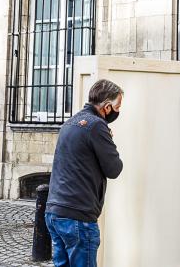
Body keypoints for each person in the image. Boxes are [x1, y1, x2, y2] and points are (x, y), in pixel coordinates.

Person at [45, 79, 124, 267]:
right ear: (107, 107)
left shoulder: (70, 122)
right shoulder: (96, 126)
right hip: (78, 217)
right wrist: (109, 141)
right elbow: (114, 168)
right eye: (118, 106)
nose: (119, 111)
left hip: (55, 212)